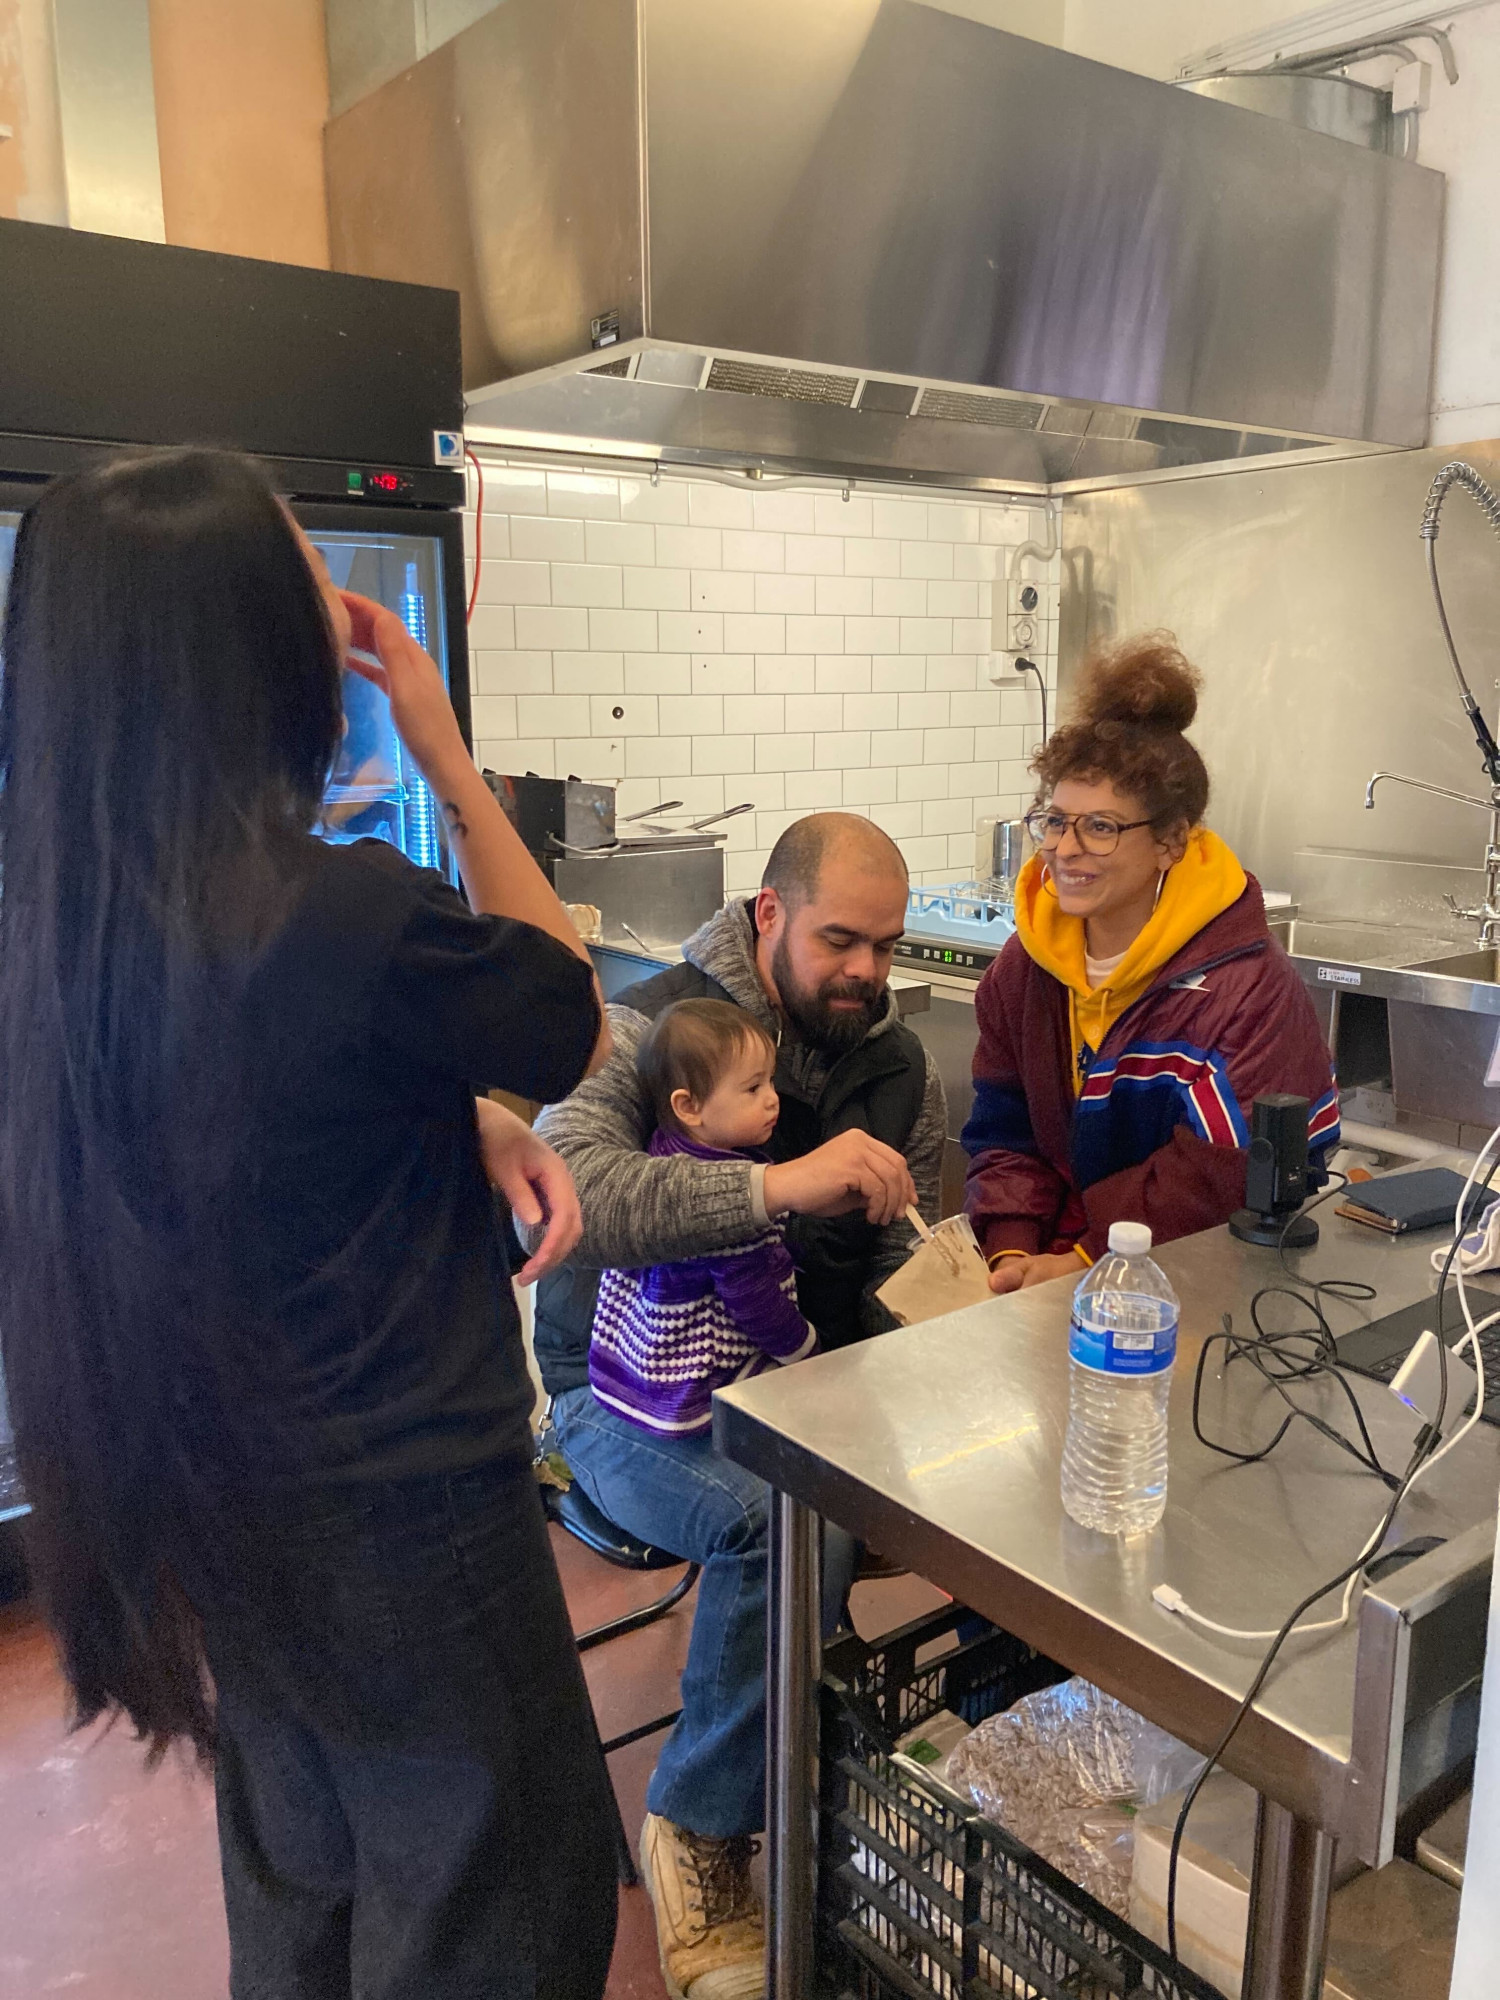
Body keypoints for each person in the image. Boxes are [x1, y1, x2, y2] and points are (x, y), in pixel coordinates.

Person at [0, 449, 620, 1999]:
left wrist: (452, 1118)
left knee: (307, 1865)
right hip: (411, 1510)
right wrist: (449, 758)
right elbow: (570, 1019)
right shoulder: (348, 911)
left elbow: (241, 1116)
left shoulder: (62, 923)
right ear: (260, 656)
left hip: (213, 1496)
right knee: (497, 1900)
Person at [532, 812, 946, 2000]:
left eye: (887, 944)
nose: (867, 969)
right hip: (621, 1396)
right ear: (769, 914)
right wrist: (777, 1186)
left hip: (792, 1382)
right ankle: (703, 1830)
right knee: (779, 1517)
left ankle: (857, 1789)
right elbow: (572, 1190)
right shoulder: (645, 1025)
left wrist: (955, 1299)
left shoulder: (896, 1065)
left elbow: (892, 1264)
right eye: (841, 939)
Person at [963, 633, 1339, 1291]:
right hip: (1048, 1273)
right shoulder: (1024, 970)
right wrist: (1011, 1251)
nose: (1066, 849)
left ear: (1171, 842)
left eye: (1101, 827)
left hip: (1191, 1284)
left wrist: (1083, 1261)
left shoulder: (1245, 987)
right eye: (1056, 821)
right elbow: (1005, 1129)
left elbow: (1218, 1173)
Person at [590, 999, 817, 1434]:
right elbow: (754, 1301)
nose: (773, 1099)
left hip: (633, 1369)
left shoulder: (660, 1152)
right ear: (689, 1106)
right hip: (699, 1384)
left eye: (770, 1081)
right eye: (753, 1089)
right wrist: (808, 1352)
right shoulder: (724, 1198)